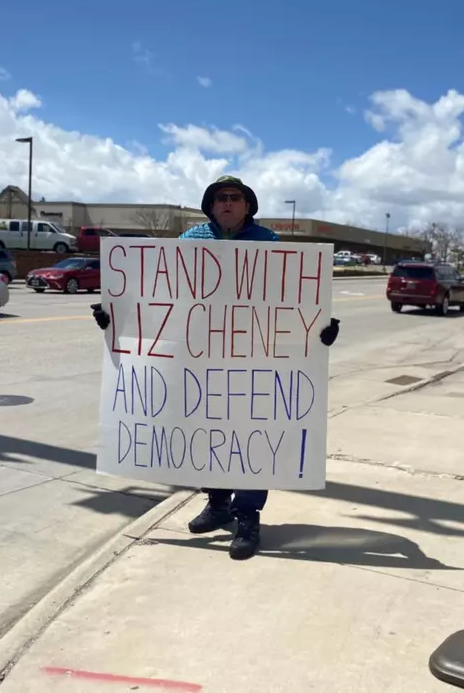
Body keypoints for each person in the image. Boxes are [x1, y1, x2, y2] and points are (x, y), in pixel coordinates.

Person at [92, 175, 340, 560]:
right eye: (220, 197)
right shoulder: (190, 242)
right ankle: (218, 502)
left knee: (253, 431)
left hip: (255, 354)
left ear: (247, 206)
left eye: (235, 197)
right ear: (210, 206)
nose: (227, 203)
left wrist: (320, 331)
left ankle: (248, 516)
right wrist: (116, 317)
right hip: (201, 355)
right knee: (209, 427)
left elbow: (292, 300)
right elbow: (160, 294)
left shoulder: (268, 245)